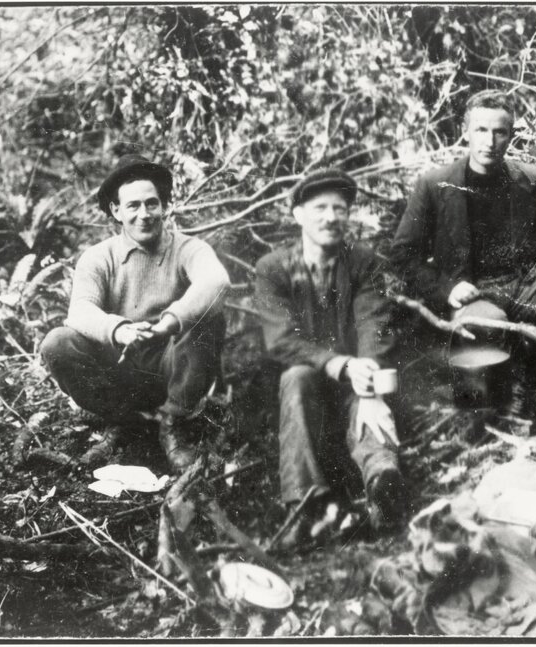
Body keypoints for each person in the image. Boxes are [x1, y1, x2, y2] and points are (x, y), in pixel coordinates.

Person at [390, 90, 536, 425]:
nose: (490, 141)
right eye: (481, 130)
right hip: (475, 289)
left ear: (511, 135)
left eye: (500, 132)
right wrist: (447, 289)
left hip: (528, 282)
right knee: (482, 324)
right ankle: (488, 417)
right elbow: (402, 256)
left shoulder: (532, 180)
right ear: (465, 131)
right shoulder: (434, 185)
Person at [40, 154, 231, 473]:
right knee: (57, 343)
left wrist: (169, 323)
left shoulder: (187, 249)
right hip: (120, 369)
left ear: (164, 206)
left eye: (151, 203)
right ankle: (123, 422)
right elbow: (79, 311)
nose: (144, 215)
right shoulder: (99, 257)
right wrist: (118, 329)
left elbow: (217, 280)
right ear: (116, 211)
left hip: (173, 368)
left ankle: (173, 425)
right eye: (133, 206)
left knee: (209, 318)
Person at [255, 169, 409, 549]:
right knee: (296, 378)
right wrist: (340, 364)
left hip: (354, 382)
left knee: (372, 387)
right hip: (299, 396)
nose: (330, 217)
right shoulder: (273, 269)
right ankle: (306, 506)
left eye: (339, 209)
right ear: (298, 215)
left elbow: (374, 321)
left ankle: (382, 484)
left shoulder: (363, 262)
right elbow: (280, 340)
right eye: (320, 208)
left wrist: (368, 380)